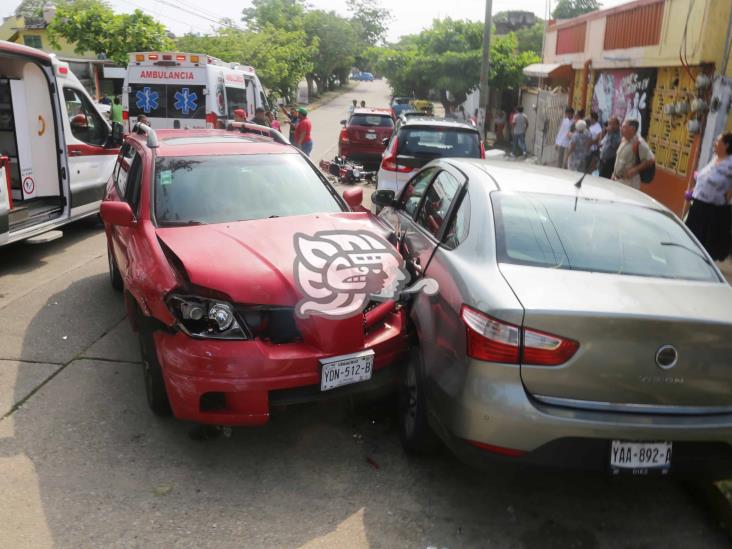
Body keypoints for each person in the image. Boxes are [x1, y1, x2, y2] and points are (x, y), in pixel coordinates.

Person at [684, 132, 732, 261]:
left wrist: (729, 195)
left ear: (726, 145)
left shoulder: (730, 163)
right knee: (691, 240)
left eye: (717, 141)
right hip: (698, 206)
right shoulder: (714, 158)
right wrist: (693, 191)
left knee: (707, 246)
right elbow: (704, 178)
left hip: (713, 211)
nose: (714, 143)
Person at [612, 119, 655, 190]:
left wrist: (634, 170)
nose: (621, 129)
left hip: (629, 182)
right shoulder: (624, 140)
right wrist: (614, 174)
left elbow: (651, 160)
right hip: (618, 180)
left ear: (632, 129)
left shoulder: (639, 143)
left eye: (624, 127)